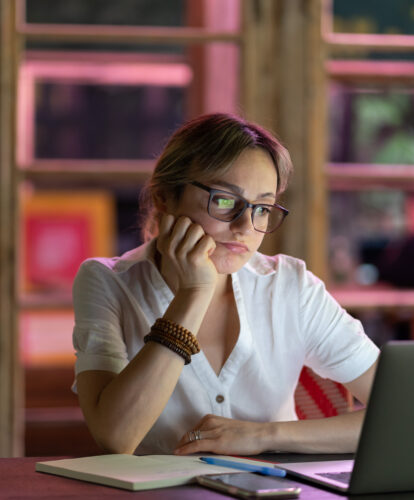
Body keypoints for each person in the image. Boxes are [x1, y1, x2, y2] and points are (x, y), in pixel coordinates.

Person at [72, 113, 379, 456]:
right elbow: (116, 437)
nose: (245, 226)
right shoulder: (107, 282)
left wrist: (265, 436)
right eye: (223, 200)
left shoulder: (292, 287)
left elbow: (400, 413)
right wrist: (194, 294)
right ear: (164, 198)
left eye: (262, 208)